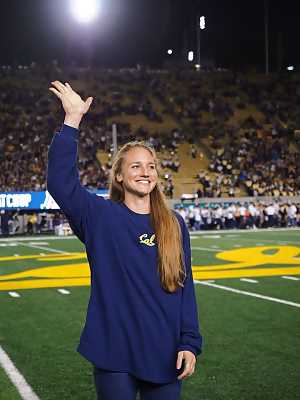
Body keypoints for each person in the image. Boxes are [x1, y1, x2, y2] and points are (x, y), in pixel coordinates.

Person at [47, 81, 203, 400]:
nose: (145, 172)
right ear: (119, 175)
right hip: (113, 349)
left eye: (151, 166)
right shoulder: (99, 216)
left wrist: (189, 342)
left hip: (165, 350)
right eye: (135, 166)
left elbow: (185, 289)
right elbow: (60, 184)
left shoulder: (174, 224)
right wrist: (72, 120)